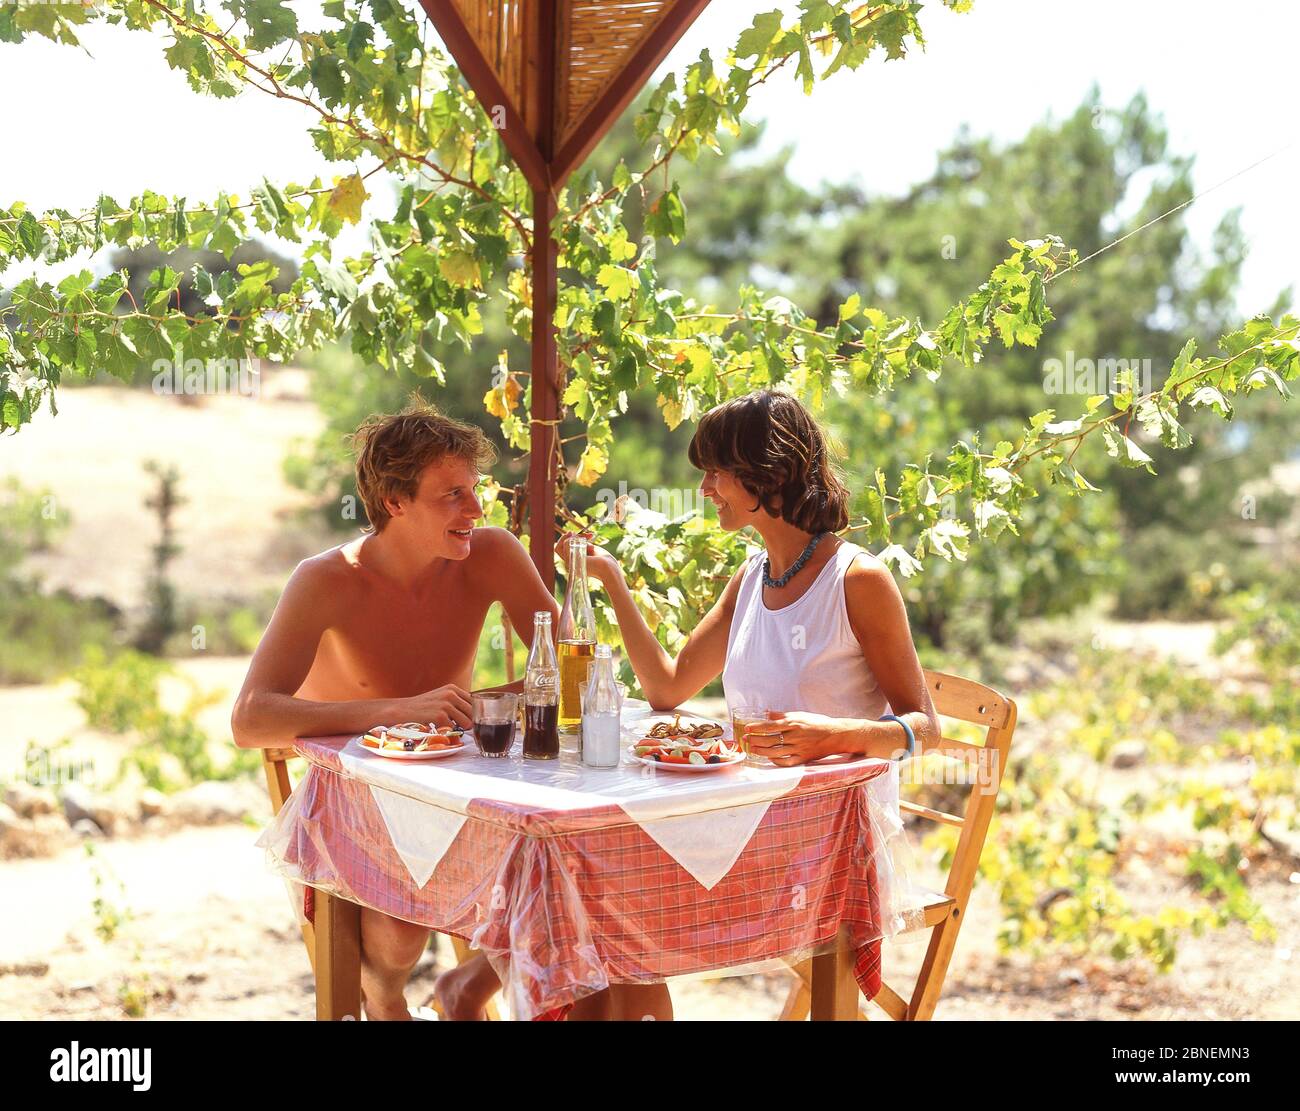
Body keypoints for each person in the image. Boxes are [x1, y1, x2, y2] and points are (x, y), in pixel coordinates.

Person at [574, 388, 942, 1020]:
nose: (705, 488)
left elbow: (924, 727)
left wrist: (834, 735)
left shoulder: (856, 580)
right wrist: (609, 577)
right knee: (601, 892)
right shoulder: (750, 578)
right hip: (747, 813)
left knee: (615, 898)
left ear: (766, 473)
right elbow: (666, 687)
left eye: (716, 472)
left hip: (829, 837)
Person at [231, 399, 557, 1021]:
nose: (476, 510)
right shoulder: (326, 579)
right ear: (394, 502)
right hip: (358, 800)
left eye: (475, 491)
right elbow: (250, 720)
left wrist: (483, 703)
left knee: (561, 850)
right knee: (403, 931)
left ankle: (471, 989)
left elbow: (568, 666)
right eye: (452, 495)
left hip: (466, 787)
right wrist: (399, 712)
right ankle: (382, 997)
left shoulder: (491, 554)